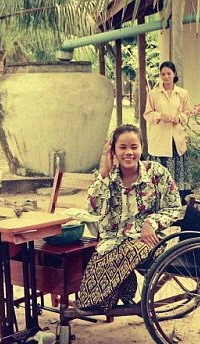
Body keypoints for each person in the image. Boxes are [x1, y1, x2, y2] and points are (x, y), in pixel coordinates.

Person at [77, 124, 182, 310]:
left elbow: (174, 207)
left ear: (142, 148)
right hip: (114, 242)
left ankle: (102, 299)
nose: (129, 153)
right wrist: (104, 173)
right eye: (122, 147)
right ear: (113, 150)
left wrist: (152, 222)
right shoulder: (107, 178)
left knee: (132, 251)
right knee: (99, 269)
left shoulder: (156, 173)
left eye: (134, 147)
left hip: (149, 242)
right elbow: (93, 211)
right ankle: (106, 298)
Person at [144, 61, 193, 204]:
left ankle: (178, 199)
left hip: (176, 136)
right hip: (159, 137)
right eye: (163, 74)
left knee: (177, 164)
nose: (166, 77)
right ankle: (159, 198)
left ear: (174, 74)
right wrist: (160, 116)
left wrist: (179, 118)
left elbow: (188, 113)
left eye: (168, 74)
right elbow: (147, 114)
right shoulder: (153, 94)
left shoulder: (183, 93)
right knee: (160, 166)